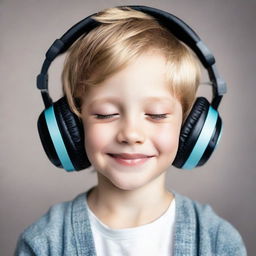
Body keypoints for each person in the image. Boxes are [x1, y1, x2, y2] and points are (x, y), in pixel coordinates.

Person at [15, 6, 247, 255]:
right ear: (74, 122)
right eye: (105, 114)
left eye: (157, 114)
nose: (131, 134)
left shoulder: (218, 241)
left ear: (190, 125)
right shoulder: (43, 243)